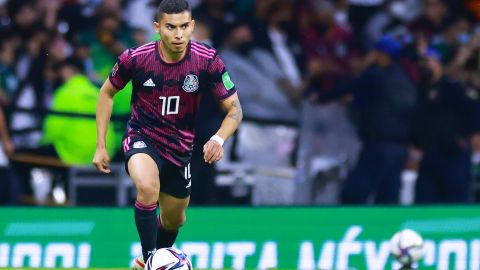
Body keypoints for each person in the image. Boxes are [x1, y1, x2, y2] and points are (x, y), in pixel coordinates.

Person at [92, 0, 243, 268]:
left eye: (184, 26)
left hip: (180, 149)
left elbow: (234, 110)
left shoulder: (207, 61)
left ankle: (146, 261)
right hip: (142, 136)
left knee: (175, 220)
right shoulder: (136, 58)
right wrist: (100, 145)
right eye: (171, 27)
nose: (178, 34)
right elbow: (107, 92)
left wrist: (219, 138)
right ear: (157, 27)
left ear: (192, 26)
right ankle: (151, 260)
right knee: (148, 187)